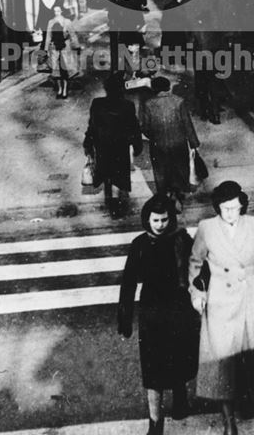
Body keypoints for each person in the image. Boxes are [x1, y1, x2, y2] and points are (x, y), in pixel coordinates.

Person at [189, 180, 254, 435]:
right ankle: (229, 421)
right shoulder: (206, 228)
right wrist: (197, 293)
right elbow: (195, 262)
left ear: (242, 206)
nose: (230, 214)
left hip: (251, 296)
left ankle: (246, 393)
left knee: (249, 356)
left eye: (235, 208)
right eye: (225, 208)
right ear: (217, 207)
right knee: (222, 362)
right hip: (220, 301)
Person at [118, 195, 200, 434]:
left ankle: (180, 398)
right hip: (152, 313)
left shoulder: (181, 240)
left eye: (164, 219)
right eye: (156, 220)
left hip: (178, 309)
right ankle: (155, 421)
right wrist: (125, 314)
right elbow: (129, 280)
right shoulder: (140, 244)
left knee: (178, 358)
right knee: (153, 369)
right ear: (147, 219)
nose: (161, 224)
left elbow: (197, 267)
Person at [83, 72, 143, 215]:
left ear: (106, 89)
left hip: (102, 145)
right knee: (117, 174)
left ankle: (111, 200)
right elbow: (134, 127)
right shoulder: (127, 105)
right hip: (120, 146)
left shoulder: (97, 103)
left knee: (106, 172)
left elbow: (92, 125)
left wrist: (88, 143)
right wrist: (137, 145)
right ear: (122, 89)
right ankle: (115, 204)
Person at [140, 75, 199, 210]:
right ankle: (178, 193)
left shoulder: (149, 104)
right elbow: (187, 124)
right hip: (179, 143)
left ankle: (164, 195)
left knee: (161, 171)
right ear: (168, 88)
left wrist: (154, 136)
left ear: (154, 89)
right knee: (180, 168)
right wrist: (194, 143)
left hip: (158, 144)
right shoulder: (179, 102)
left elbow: (145, 127)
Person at [44, 4, 80, 98]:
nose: (57, 13)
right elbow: (48, 36)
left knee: (65, 70)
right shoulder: (50, 22)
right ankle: (60, 89)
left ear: (61, 11)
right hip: (55, 48)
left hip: (65, 48)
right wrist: (46, 49)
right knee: (56, 71)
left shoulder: (67, 22)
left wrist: (76, 46)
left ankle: (65, 90)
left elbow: (72, 34)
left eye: (58, 11)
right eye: (55, 11)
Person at [34, 0, 56, 72]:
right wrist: (37, 25)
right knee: (44, 43)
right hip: (45, 25)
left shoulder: (56, 1)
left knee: (53, 43)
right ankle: (41, 62)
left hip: (54, 25)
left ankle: (52, 63)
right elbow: (40, 13)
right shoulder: (42, 1)